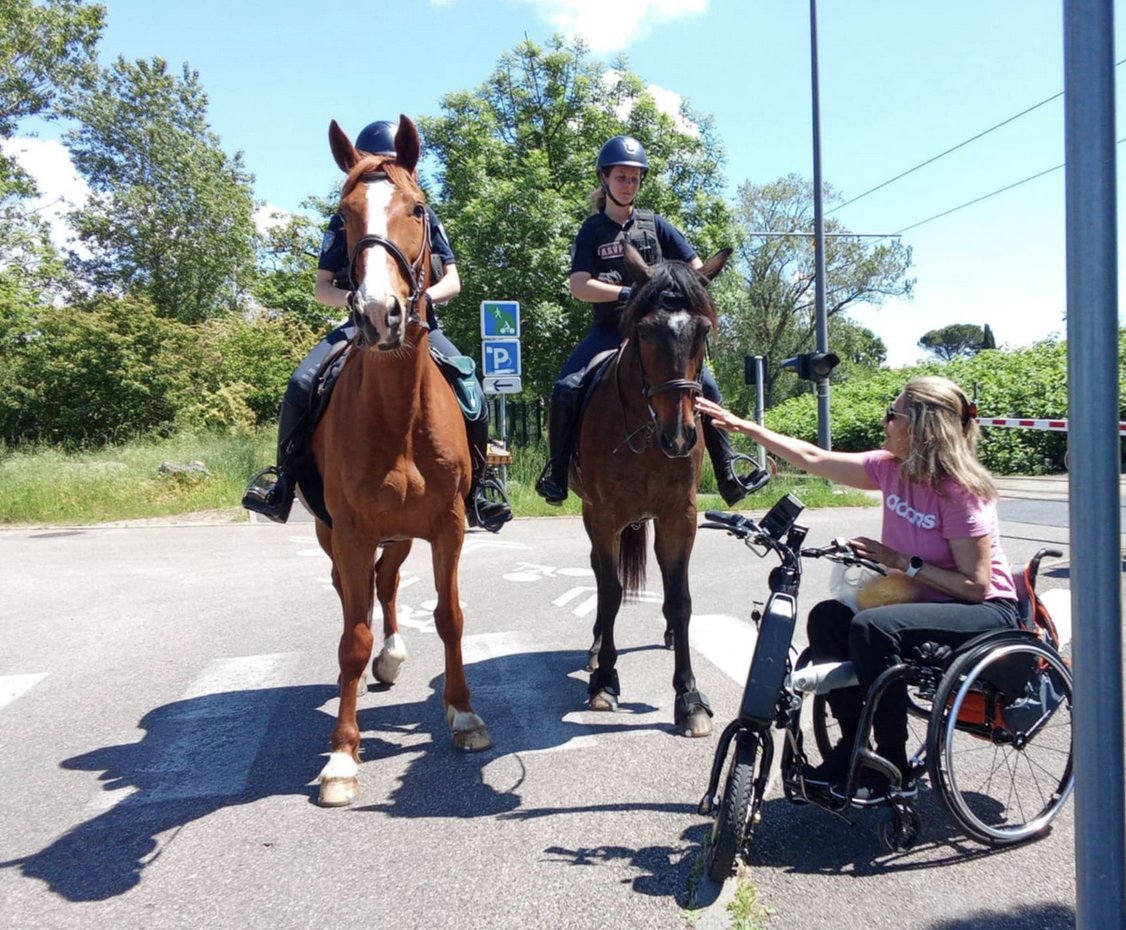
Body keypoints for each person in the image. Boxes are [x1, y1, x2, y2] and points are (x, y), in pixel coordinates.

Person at [696, 375, 1021, 804]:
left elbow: (976, 586)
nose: (884, 422)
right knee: (827, 618)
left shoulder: (959, 493)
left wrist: (902, 561)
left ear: (921, 428)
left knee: (873, 629)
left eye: (893, 414)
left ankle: (893, 764)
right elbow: (814, 457)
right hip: (920, 601)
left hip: (985, 610)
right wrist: (747, 428)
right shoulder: (890, 469)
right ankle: (854, 748)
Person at [242, 120, 512, 532]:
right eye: (374, 167)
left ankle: (479, 485)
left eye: (389, 165)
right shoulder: (346, 216)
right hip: (360, 322)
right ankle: (283, 483)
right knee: (301, 382)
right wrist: (354, 300)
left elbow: (453, 280)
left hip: (421, 323)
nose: (383, 173)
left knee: (469, 386)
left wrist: (417, 302)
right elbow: (322, 288)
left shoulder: (422, 212)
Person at [534, 134, 770, 507]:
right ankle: (558, 475)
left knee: (706, 385)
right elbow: (579, 285)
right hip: (610, 330)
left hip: (660, 333)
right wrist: (627, 294)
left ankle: (727, 474)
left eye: (634, 178)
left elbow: (695, 269)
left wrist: (673, 288)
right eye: (621, 177)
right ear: (605, 180)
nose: (628, 185)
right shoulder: (592, 230)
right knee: (566, 387)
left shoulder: (655, 224)